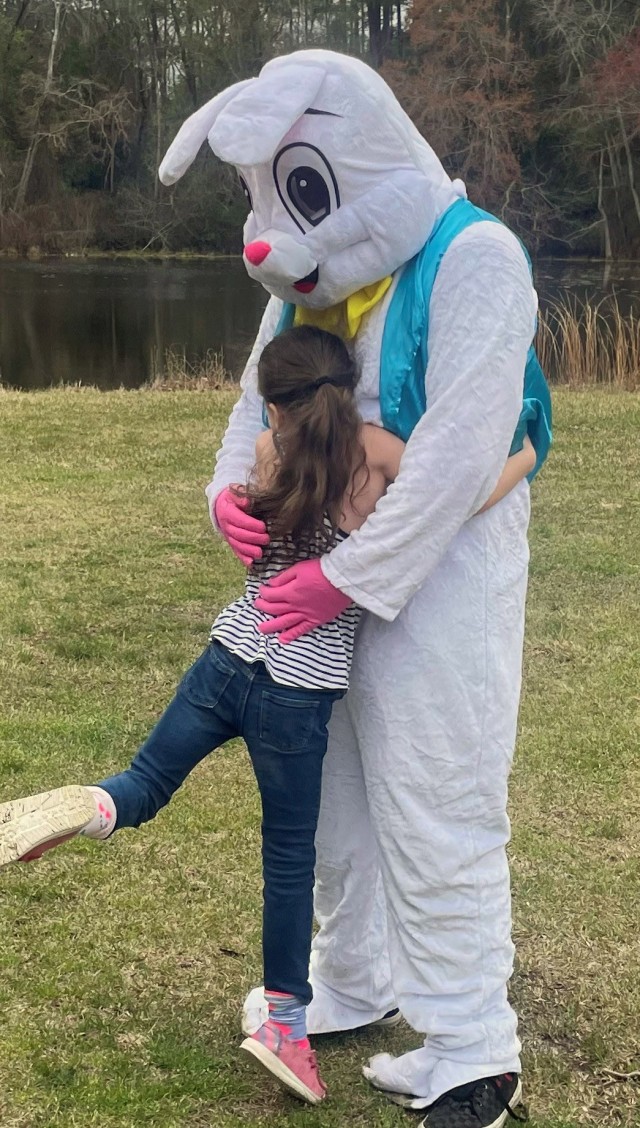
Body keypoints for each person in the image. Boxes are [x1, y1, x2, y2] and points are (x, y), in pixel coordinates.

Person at [157, 49, 552, 1128]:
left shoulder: (476, 259)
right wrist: (229, 494)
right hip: (318, 574)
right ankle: (353, 976)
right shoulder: (311, 279)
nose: (269, 240)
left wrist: (345, 579)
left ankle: (473, 1046)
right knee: (330, 790)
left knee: (435, 790)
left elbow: (463, 456)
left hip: (445, 577)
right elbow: (257, 399)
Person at [0, 325, 535, 1108]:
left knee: (145, 780)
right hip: (298, 693)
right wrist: (525, 454)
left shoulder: (265, 454)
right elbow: (459, 495)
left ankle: (93, 806)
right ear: (345, 386)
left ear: (275, 404)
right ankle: (286, 1021)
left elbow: (252, 518)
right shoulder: (378, 456)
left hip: (227, 657)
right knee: (288, 860)